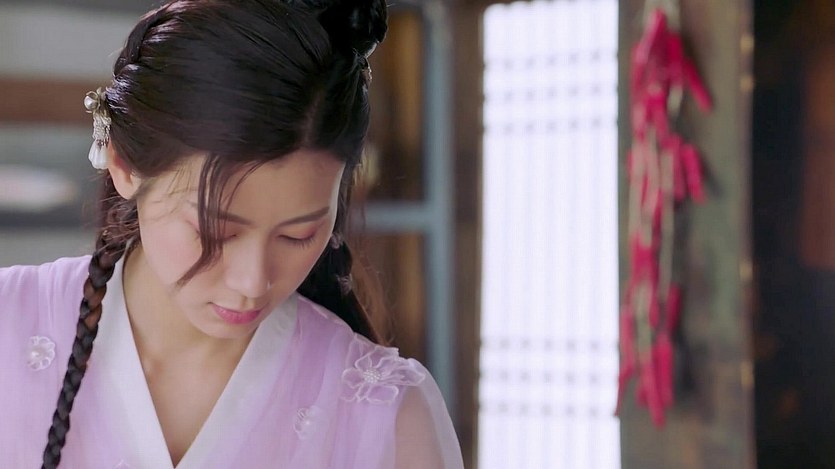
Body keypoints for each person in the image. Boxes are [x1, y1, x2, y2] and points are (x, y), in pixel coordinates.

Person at [0, 0, 464, 467]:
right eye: (214, 232)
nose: (252, 282)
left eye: (298, 235)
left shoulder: (390, 419)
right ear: (123, 164)